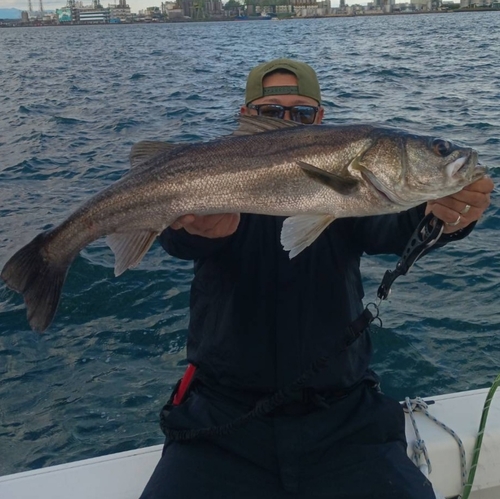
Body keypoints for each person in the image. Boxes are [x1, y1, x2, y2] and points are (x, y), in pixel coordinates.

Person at [140, 59, 493, 499]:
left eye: (302, 113)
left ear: (320, 119)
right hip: (221, 419)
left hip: (344, 418)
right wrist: (197, 231)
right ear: (245, 117)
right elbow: (181, 242)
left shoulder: (355, 194)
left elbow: (394, 227)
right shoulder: (217, 177)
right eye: (271, 112)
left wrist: (443, 218)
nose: (287, 122)